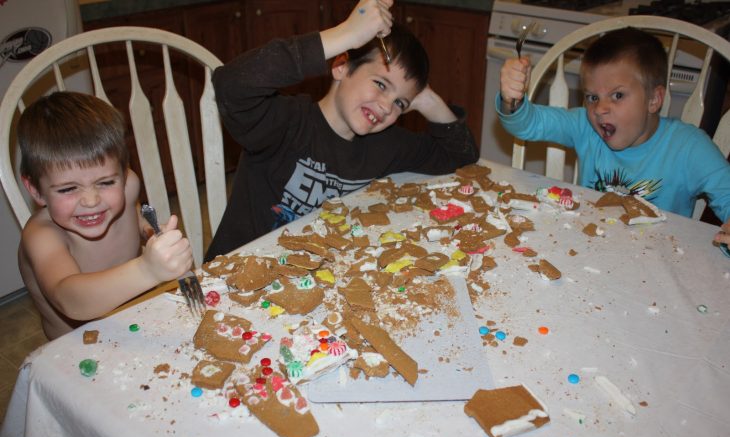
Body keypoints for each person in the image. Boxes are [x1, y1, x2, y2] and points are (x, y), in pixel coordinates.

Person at [204, 0, 479, 260]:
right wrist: (344, 35)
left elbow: (460, 154)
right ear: (340, 66)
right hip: (233, 273)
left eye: (399, 103)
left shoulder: (386, 144)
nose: (386, 106)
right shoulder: (285, 123)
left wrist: (427, 99)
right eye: (381, 84)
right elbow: (231, 84)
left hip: (310, 280)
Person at [497, 26, 730, 245]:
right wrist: (512, 99)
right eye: (592, 97)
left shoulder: (689, 147)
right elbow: (527, 124)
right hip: (588, 247)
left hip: (661, 264)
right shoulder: (584, 126)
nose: (600, 109)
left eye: (617, 95)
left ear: (654, 100)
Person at [17, 91, 193, 340]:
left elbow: (133, 216)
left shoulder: (129, 185)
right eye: (68, 189)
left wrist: (149, 231)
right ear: (36, 190)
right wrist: (147, 270)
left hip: (137, 318)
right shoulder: (42, 235)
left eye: (106, 182)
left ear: (122, 173)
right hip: (79, 347)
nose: (91, 201)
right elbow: (68, 297)